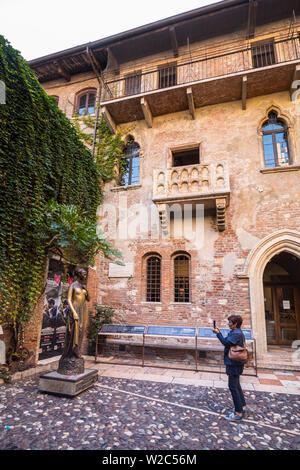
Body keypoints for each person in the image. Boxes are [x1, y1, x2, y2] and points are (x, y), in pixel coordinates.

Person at [213, 315, 247, 421]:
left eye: (230, 322)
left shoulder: (236, 334)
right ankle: (242, 406)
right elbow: (227, 341)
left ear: (235, 324)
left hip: (234, 364)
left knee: (233, 387)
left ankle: (238, 412)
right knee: (237, 385)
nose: (228, 324)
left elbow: (226, 342)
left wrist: (218, 333)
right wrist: (219, 333)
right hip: (235, 363)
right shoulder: (236, 332)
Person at [58, 268, 89, 368]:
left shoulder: (83, 286)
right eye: (84, 274)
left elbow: (88, 299)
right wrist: (74, 312)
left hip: (82, 310)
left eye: (86, 274)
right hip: (75, 309)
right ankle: (71, 353)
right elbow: (69, 299)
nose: (85, 276)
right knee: (74, 331)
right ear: (79, 274)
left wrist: (86, 291)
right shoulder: (73, 285)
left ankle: (77, 351)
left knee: (81, 330)